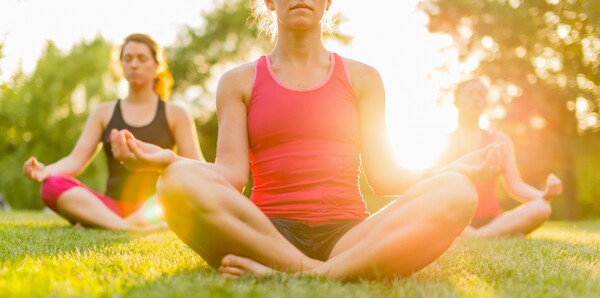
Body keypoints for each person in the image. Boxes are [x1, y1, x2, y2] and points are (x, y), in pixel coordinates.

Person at [111, 0, 501, 279]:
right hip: (265, 233)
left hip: (349, 235)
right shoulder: (238, 81)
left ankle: (317, 272)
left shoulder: (364, 78)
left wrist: (449, 169)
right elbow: (229, 176)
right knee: (175, 181)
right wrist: (166, 159)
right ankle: (321, 272)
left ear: (328, 2)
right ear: (268, 2)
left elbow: (385, 176)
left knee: (458, 191)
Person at [23, 33, 203, 231]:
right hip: (111, 208)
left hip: (158, 205)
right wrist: (46, 171)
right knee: (51, 185)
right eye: (128, 59)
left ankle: (109, 224)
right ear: (121, 66)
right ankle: (127, 226)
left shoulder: (176, 114)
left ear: (156, 66)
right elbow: (76, 160)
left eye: (142, 58)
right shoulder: (103, 112)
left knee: (182, 189)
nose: (134, 64)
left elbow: (196, 167)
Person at [439, 78, 563, 238]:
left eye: (481, 94)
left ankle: (478, 236)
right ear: (456, 101)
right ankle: (489, 235)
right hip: (458, 219)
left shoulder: (499, 140)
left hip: (493, 220)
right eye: (470, 93)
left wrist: (545, 195)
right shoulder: (444, 143)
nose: (476, 98)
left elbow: (515, 186)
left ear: (485, 103)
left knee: (542, 208)